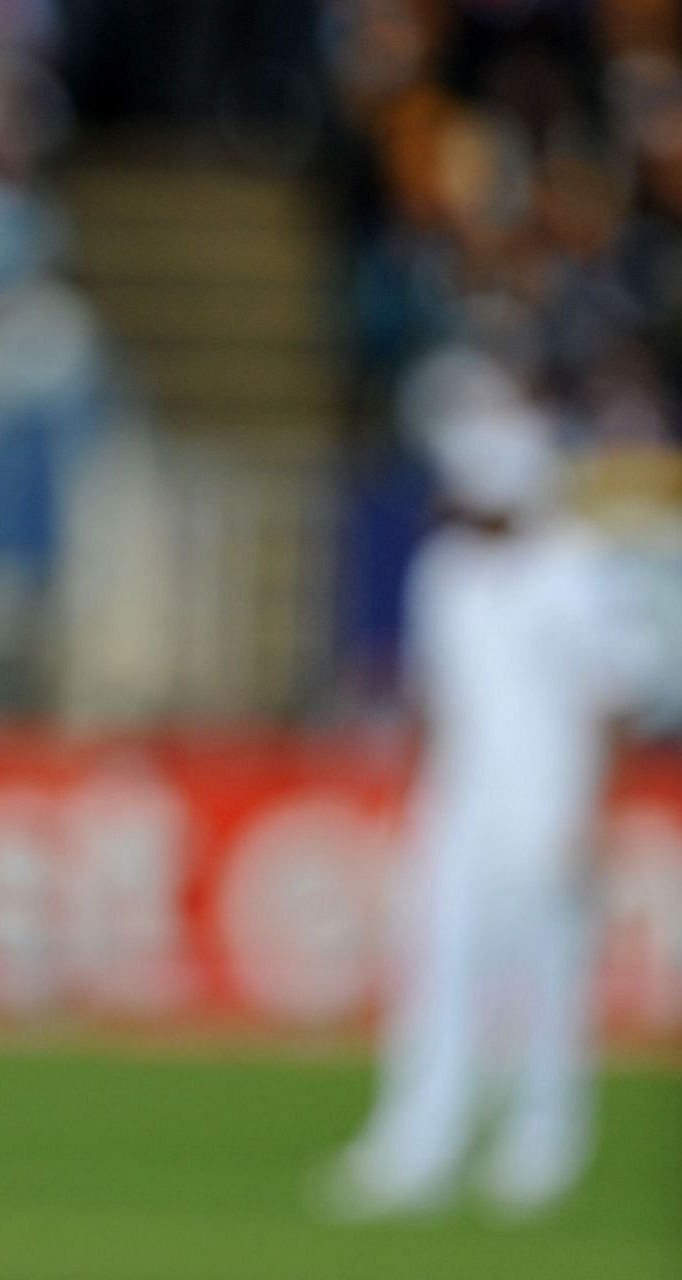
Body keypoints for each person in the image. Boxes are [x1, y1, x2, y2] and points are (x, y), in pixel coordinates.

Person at [322, 358, 642, 1220]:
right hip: (459, 803)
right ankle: (418, 1140)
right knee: (437, 973)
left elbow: (610, 702)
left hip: (549, 805)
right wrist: (418, 793)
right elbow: (436, 696)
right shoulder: (446, 571)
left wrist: (590, 817)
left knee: (548, 984)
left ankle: (541, 1147)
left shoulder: (577, 567)